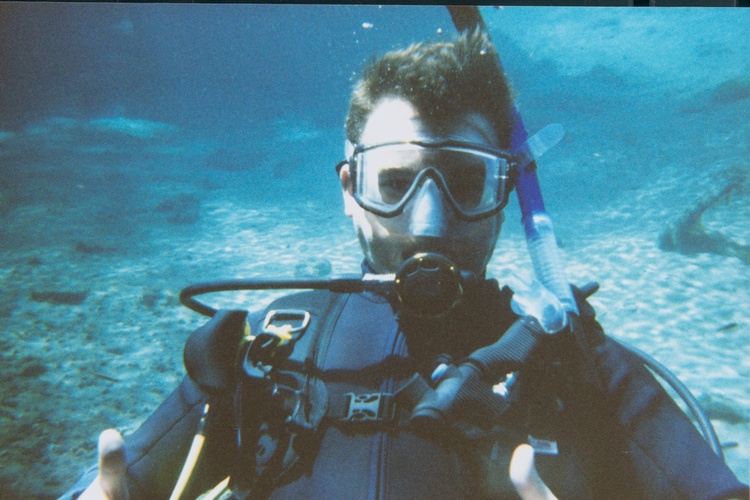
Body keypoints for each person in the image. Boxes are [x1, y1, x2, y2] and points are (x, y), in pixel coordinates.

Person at [62, 30, 747, 500]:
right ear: (348, 195)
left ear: (505, 195)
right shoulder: (267, 349)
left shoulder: (579, 370)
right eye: (393, 185)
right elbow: (118, 484)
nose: (430, 223)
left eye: (465, 182)